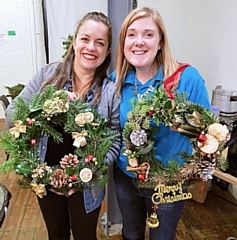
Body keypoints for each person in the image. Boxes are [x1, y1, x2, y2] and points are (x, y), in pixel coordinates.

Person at [6, 11, 120, 240]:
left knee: (85, 235)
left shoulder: (109, 92)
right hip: (47, 181)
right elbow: (11, 116)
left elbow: (115, 141)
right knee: (56, 234)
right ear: (74, 41)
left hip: (88, 186)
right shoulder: (47, 76)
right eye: (85, 39)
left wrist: (90, 170)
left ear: (107, 51)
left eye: (100, 43)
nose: (91, 47)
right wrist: (45, 105)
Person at [109, 6, 211, 240]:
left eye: (148, 34)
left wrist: (185, 126)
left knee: (163, 236)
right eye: (131, 34)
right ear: (124, 42)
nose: (139, 41)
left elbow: (208, 134)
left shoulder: (186, 78)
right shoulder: (116, 81)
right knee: (131, 234)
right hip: (127, 179)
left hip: (169, 183)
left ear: (161, 42)